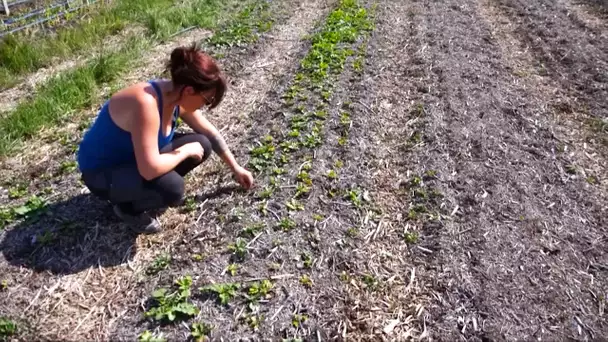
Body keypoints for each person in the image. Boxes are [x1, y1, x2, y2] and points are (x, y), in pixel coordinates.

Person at [76, 42, 254, 234]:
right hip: (102, 173)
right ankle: (127, 208)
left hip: (132, 160)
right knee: (173, 189)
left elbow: (210, 134)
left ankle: (142, 191)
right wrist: (183, 151)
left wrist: (235, 168)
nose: (205, 106)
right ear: (189, 90)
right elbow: (149, 169)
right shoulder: (146, 104)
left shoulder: (175, 97)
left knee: (202, 143)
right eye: (206, 100)